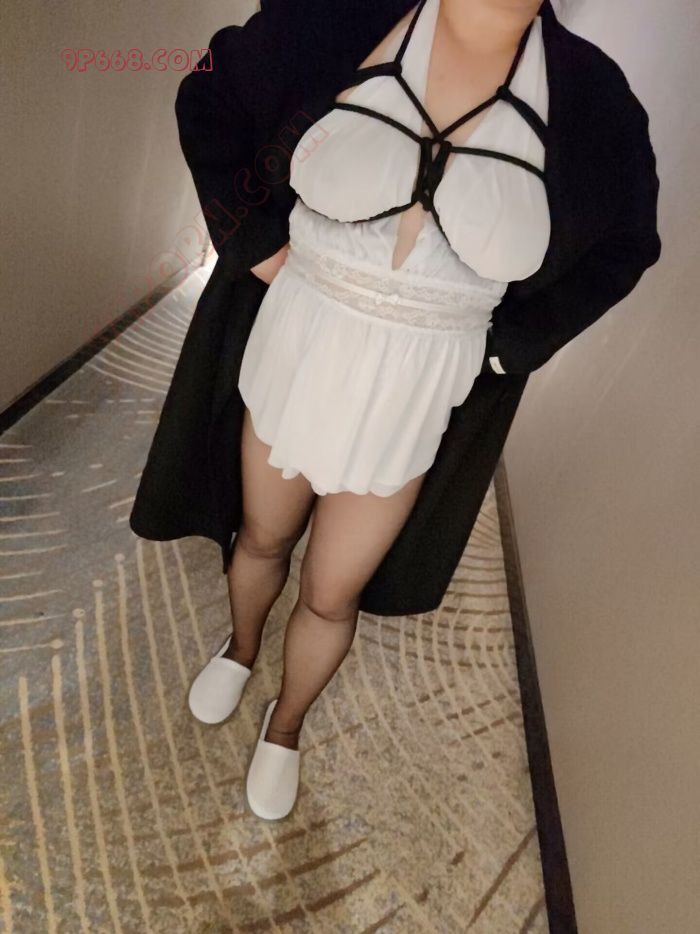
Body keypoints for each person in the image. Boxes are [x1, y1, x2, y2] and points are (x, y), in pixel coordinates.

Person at [149, 0, 662, 822]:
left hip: (414, 397)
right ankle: (240, 649)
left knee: (332, 592)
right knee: (261, 537)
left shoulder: (594, 101)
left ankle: (286, 724)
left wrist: (513, 346)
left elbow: (628, 243)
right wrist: (254, 240)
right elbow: (208, 92)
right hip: (298, 349)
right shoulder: (332, 17)